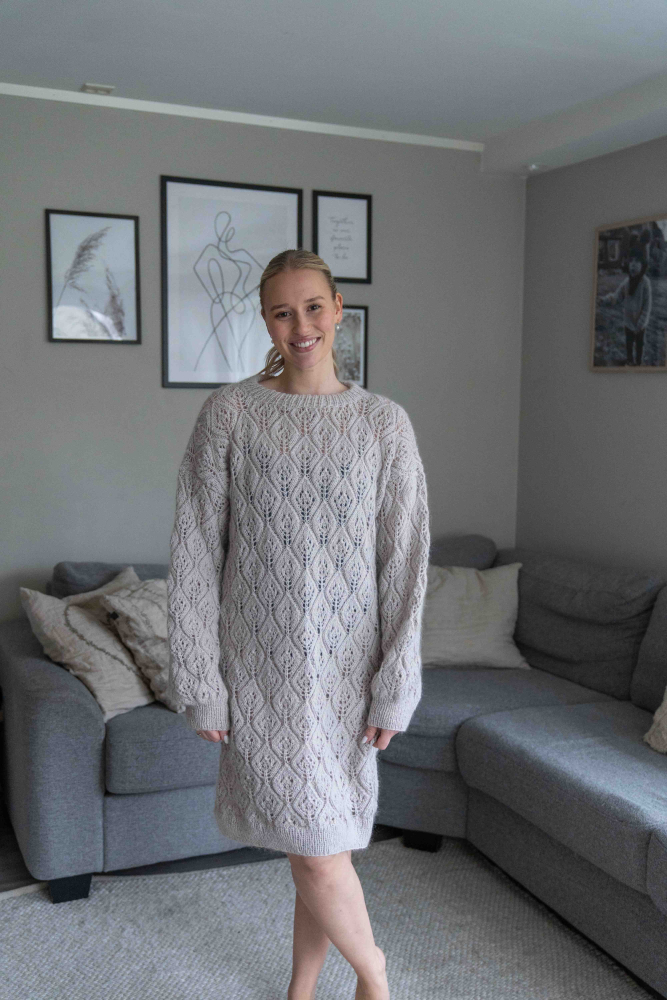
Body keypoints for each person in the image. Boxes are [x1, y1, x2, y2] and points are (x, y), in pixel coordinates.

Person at [166, 248, 430, 1000]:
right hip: (262, 672)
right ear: (266, 321)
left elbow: (405, 563)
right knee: (313, 845)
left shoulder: (383, 423)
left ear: (338, 309)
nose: (300, 325)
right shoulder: (230, 414)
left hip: (349, 674)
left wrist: (395, 684)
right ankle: (374, 973)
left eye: (313, 307)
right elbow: (193, 553)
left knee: (321, 843)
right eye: (283, 312)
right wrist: (200, 680)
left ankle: (305, 989)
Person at [599, 242, 652, 366]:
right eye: (631, 261)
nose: (633, 264)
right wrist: (605, 299)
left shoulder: (645, 283)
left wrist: (641, 323)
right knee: (629, 343)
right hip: (628, 322)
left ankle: (638, 362)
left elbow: (647, 307)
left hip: (640, 325)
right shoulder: (626, 282)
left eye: (637, 261)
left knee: (639, 345)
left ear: (643, 264)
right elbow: (616, 297)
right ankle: (629, 360)